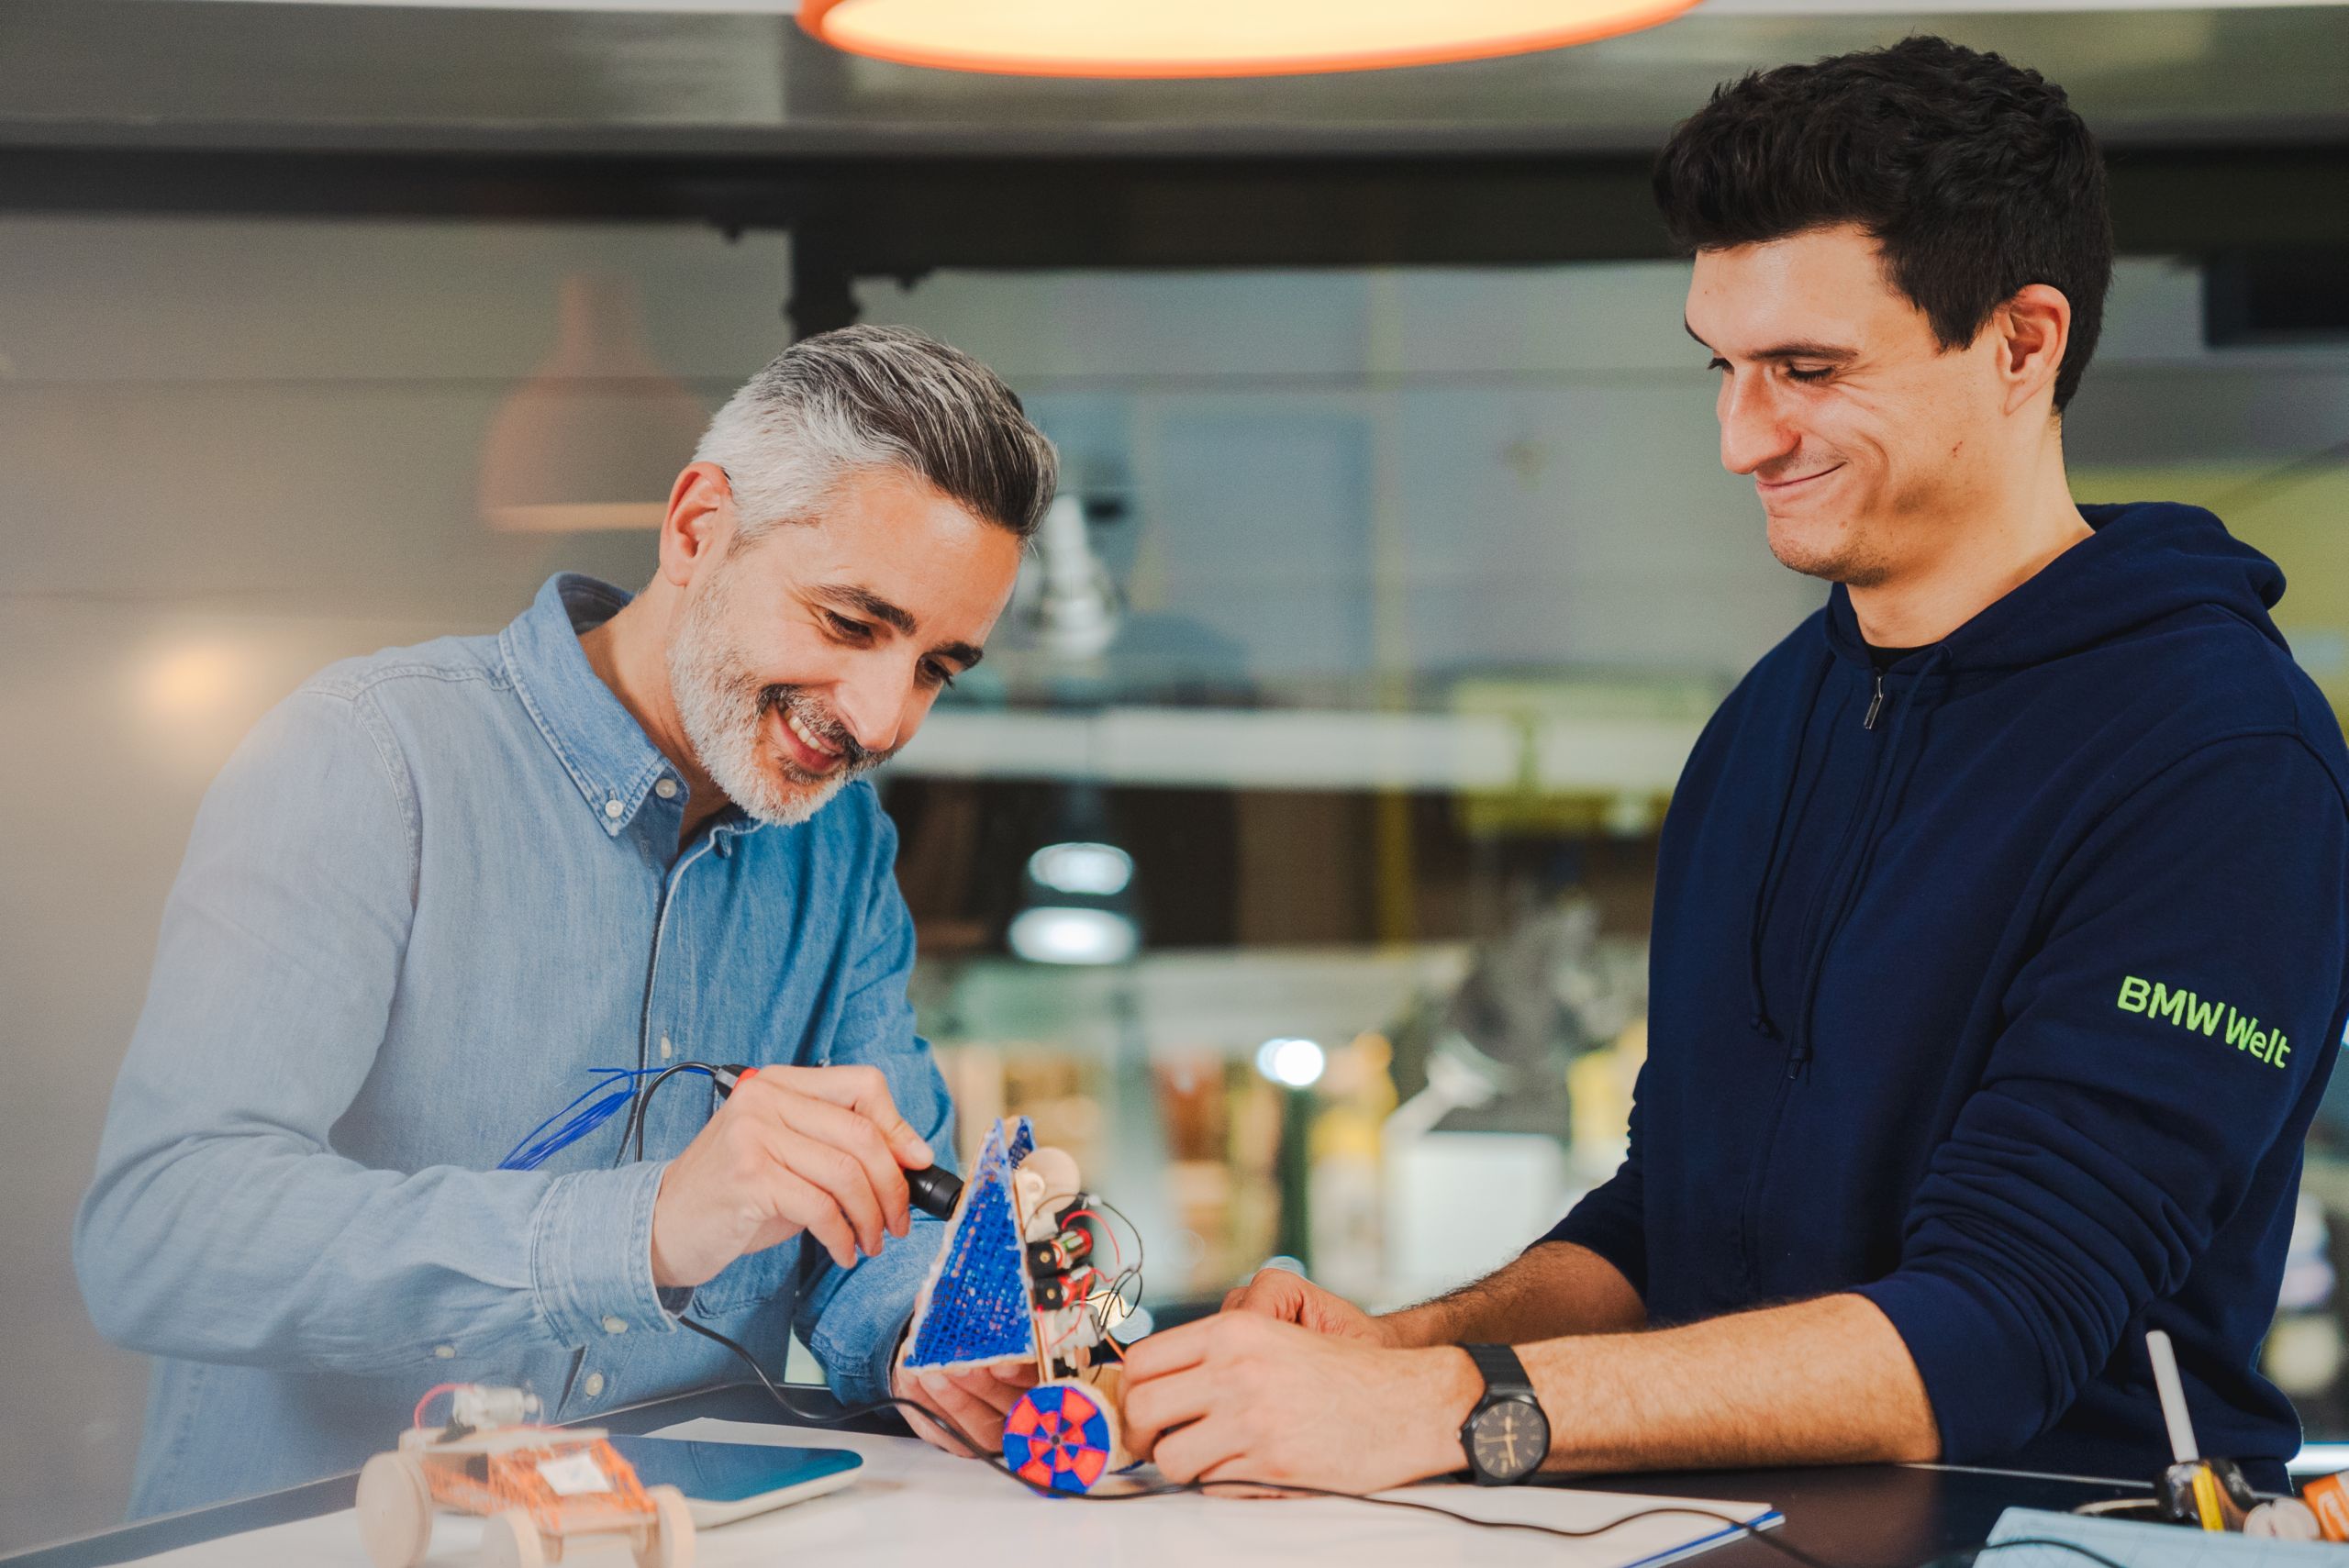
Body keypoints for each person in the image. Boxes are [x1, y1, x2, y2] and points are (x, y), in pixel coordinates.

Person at [1119, 37, 2349, 1496]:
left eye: (1807, 371)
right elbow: (1671, 1225)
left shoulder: (2221, 762)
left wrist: (1454, 1406)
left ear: (2023, 342)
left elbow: (1995, 1331)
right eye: (1725, 364)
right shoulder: (1774, 718)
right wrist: (1386, 1355)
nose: (1739, 436)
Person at [75, 325, 1052, 1515]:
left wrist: (952, 1329)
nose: (885, 718)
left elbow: (876, 1231)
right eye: (854, 622)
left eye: (937, 666)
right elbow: (160, 1232)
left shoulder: (842, 851)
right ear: (698, 528)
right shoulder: (372, 760)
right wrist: (647, 1227)